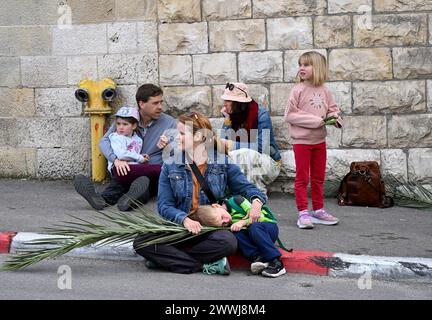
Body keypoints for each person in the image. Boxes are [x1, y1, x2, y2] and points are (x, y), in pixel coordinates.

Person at [133, 112, 268, 275]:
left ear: (198, 136)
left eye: (182, 133)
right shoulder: (171, 165)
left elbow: (248, 188)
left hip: (208, 229)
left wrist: (256, 203)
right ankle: (200, 264)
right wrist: (184, 220)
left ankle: (174, 262)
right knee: (141, 241)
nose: (177, 137)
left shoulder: (221, 163)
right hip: (180, 226)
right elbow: (164, 205)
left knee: (228, 242)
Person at [74, 84, 177, 211]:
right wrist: (116, 160)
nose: (160, 107)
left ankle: (130, 199)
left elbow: (183, 151)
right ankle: (101, 200)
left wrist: (169, 146)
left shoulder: (170, 122)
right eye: (155, 103)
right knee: (119, 182)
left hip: (150, 172)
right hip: (127, 168)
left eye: (161, 102)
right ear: (142, 104)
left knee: (145, 182)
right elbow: (104, 141)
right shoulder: (127, 119)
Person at [284, 51, 342, 229]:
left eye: (306, 65)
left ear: (318, 68)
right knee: (302, 178)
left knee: (318, 177)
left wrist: (335, 118)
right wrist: (316, 121)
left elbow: (332, 109)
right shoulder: (297, 90)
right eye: (300, 64)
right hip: (301, 142)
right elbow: (290, 115)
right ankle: (303, 213)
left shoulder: (325, 90)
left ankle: (318, 210)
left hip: (319, 142)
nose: (302, 68)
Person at [195, 195, 286, 278]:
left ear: (216, 206)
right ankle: (258, 258)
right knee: (235, 233)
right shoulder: (227, 220)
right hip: (253, 236)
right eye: (222, 224)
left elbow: (259, 217)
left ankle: (276, 262)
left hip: (267, 229)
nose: (225, 221)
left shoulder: (237, 201)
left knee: (254, 227)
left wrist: (243, 222)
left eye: (222, 217)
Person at [219, 82, 281, 195]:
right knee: (222, 157)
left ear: (239, 103)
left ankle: (256, 194)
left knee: (245, 153)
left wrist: (231, 145)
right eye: (225, 100)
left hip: (269, 164)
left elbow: (262, 147)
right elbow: (221, 145)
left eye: (228, 101)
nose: (224, 104)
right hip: (243, 162)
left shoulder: (261, 115)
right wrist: (227, 120)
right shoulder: (232, 116)